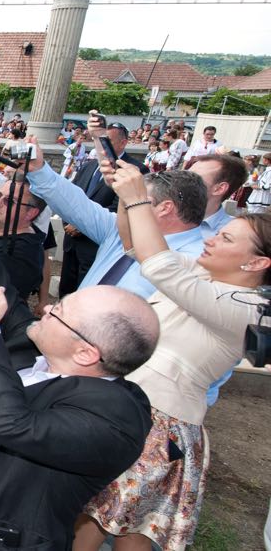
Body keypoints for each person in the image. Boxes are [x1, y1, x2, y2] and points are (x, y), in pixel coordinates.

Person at [73, 160, 271, 551]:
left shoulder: (245, 308)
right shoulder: (202, 277)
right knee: (105, 516)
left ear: (258, 264)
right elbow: (138, 247)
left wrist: (137, 198)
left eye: (228, 240)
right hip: (134, 411)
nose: (211, 239)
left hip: (159, 429)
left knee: (126, 527)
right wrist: (129, 203)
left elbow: (159, 264)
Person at [0, 210, 158, 548]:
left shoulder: (117, 419)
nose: (47, 308)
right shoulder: (43, 349)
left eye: (60, 312)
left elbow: (10, 423)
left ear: (85, 353)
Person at [26, 138, 205, 299]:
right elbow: (76, 204)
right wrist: (39, 170)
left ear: (165, 208)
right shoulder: (121, 229)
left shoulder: (198, 262)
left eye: (138, 198)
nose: (128, 203)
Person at [58, 121, 148, 295]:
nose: (101, 146)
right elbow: (71, 196)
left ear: (123, 143)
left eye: (108, 141)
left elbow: (122, 206)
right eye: (99, 141)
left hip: (95, 244)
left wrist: (82, 226)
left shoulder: (134, 170)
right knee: (67, 289)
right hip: (72, 241)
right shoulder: (88, 166)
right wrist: (69, 221)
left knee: (88, 292)